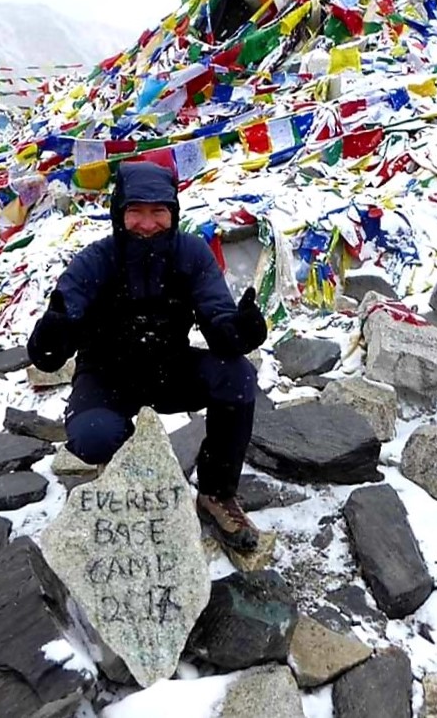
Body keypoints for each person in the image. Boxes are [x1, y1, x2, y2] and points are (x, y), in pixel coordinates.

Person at [27, 161, 268, 551]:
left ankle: (216, 494)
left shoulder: (190, 253)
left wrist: (240, 329)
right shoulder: (95, 260)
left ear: (173, 214)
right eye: (136, 211)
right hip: (106, 376)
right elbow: (49, 356)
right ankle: (136, 496)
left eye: (158, 211)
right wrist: (55, 329)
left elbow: (217, 317)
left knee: (237, 377)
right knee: (95, 436)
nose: (147, 222)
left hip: (169, 367)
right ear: (119, 213)